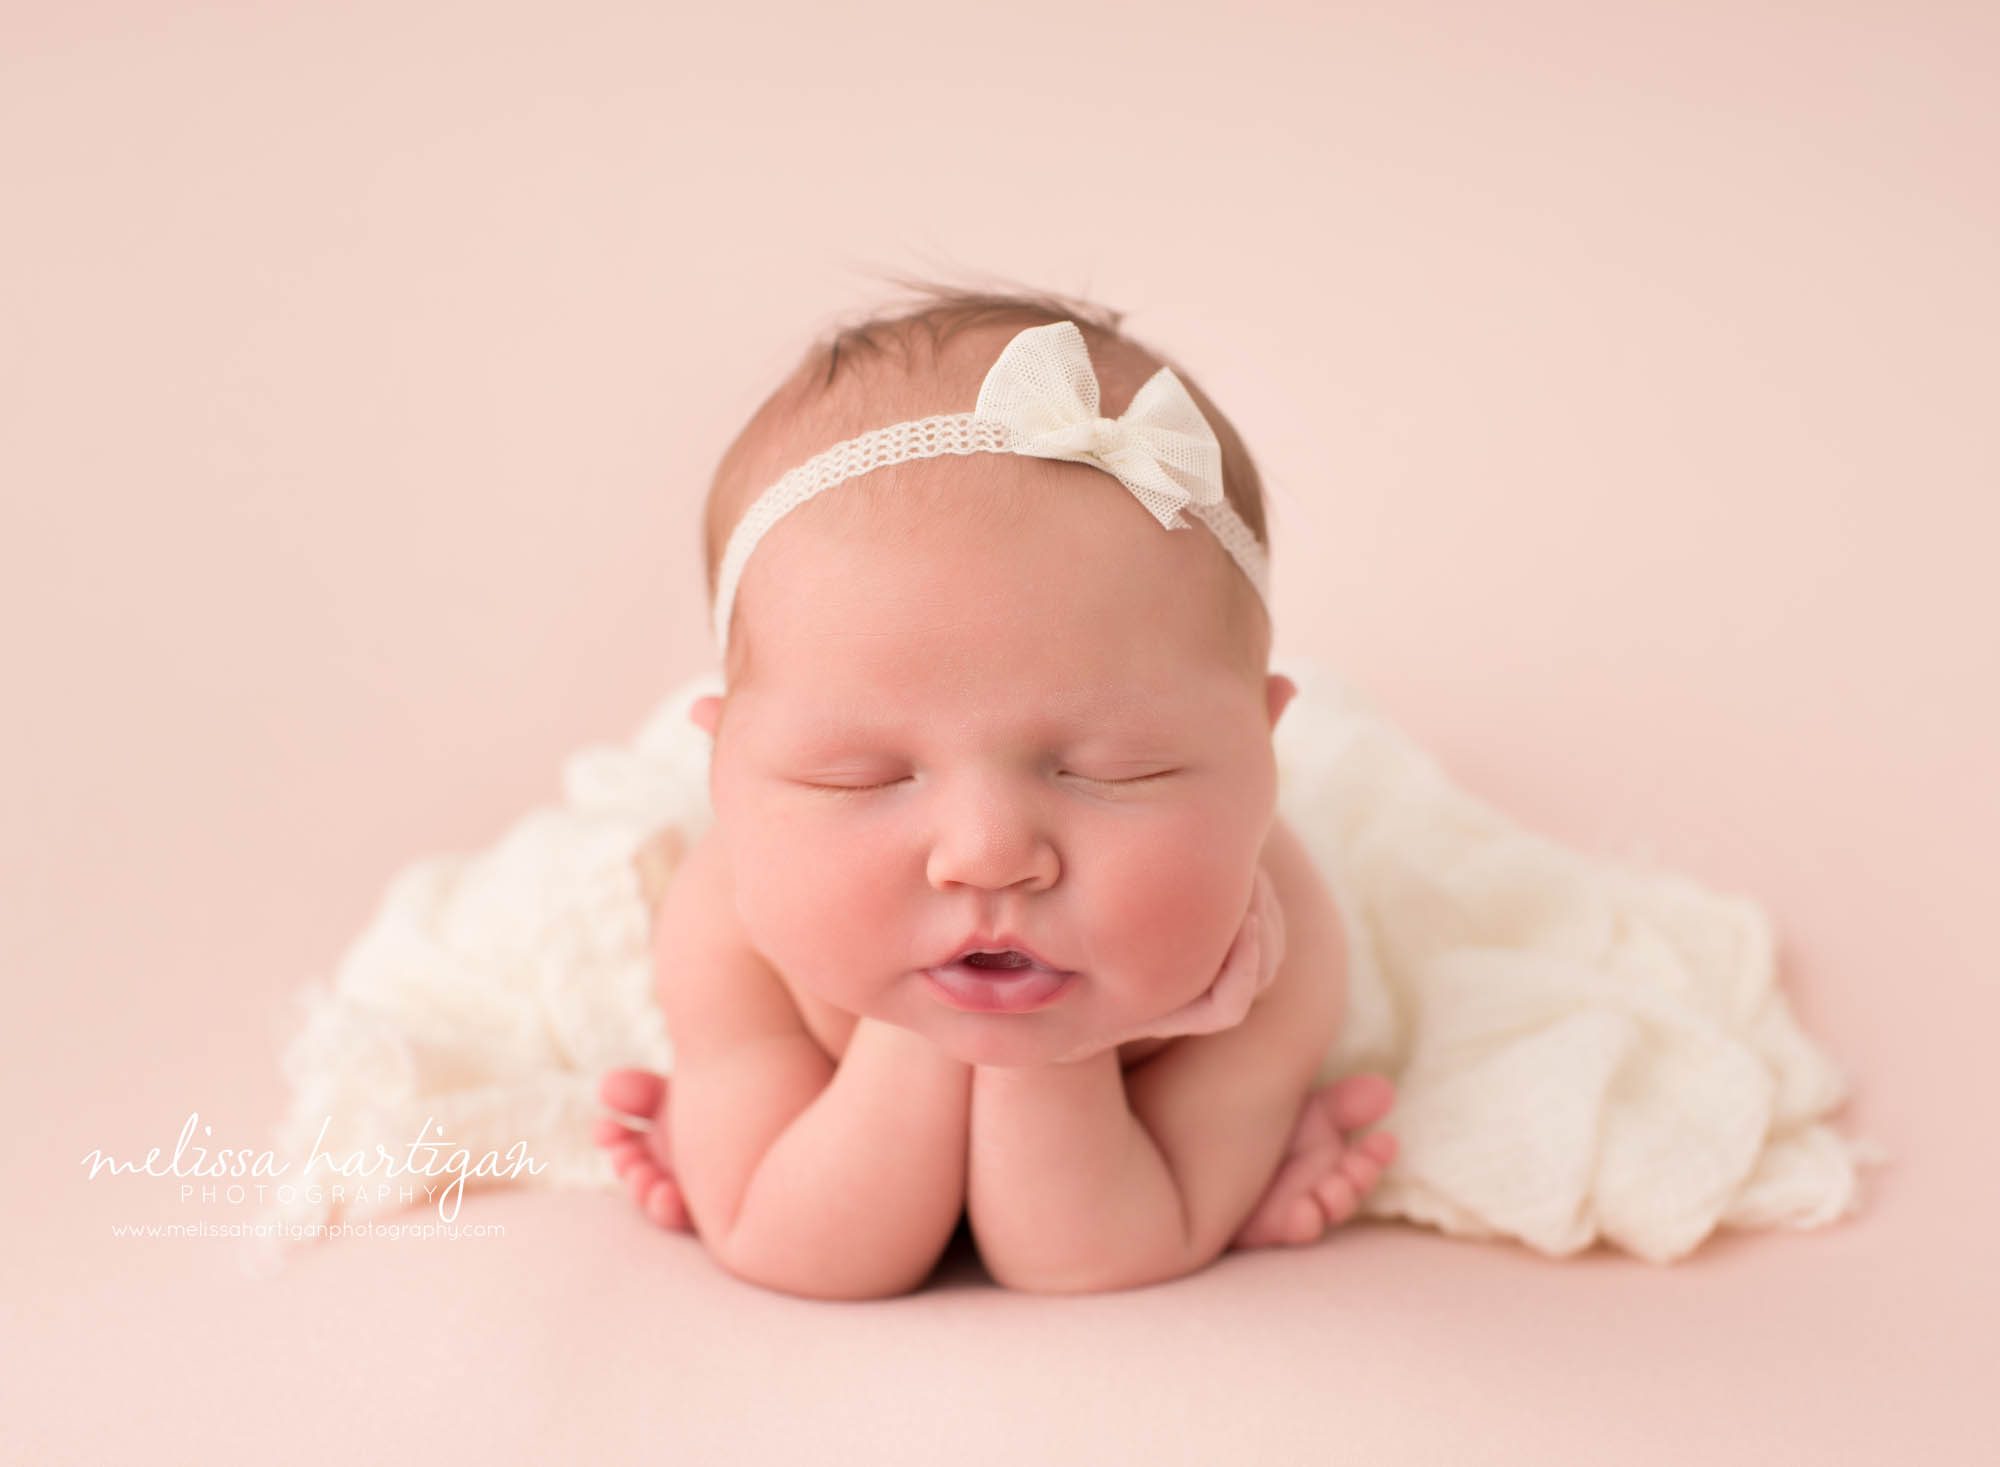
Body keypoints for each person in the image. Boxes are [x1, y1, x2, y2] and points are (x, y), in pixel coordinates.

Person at [593, 285, 1399, 1298]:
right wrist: (911, 1021)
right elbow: (800, 1252)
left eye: (1115, 770)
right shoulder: (734, 908)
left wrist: (1062, 1051)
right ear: (728, 778)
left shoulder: (1256, 940)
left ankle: (1250, 1153)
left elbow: (1090, 1257)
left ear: (1260, 758)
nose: (984, 852)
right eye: (864, 776)